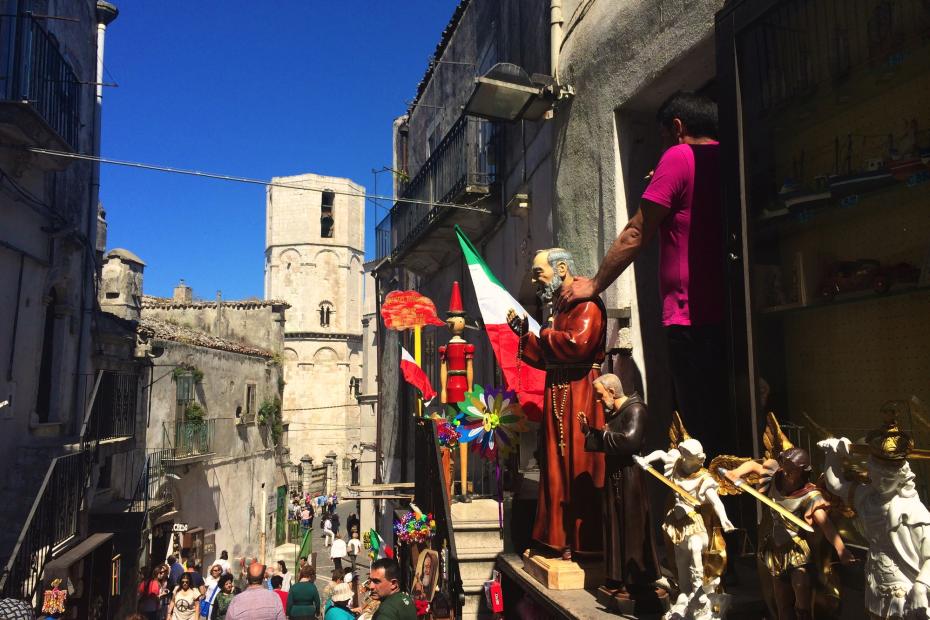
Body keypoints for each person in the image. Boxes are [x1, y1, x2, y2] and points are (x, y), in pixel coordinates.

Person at [560, 91, 729, 458]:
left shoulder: (679, 156)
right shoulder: (726, 155)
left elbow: (636, 231)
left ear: (677, 127)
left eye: (664, 137)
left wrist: (594, 284)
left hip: (691, 318)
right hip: (730, 310)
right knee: (727, 421)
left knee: (698, 434)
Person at [506, 247, 606, 558]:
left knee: (578, 464)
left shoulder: (585, 302)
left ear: (561, 268)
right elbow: (550, 353)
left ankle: (583, 542)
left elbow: (577, 344)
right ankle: (558, 539)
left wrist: (544, 333)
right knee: (555, 466)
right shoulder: (561, 309)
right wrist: (526, 335)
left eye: (539, 274)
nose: (537, 282)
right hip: (560, 391)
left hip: (580, 394)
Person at [577, 373, 664, 611]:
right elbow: (609, 439)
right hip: (615, 476)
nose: (598, 401)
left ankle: (637, 579)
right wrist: (589, 431)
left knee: (632, 528)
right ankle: (621, 577)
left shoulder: (635, 410)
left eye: (600, 395)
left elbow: (630, 441)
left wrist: (602, 433)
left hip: (630, 479)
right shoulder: (616, 413)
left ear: (612, 392)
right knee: (616, 526)